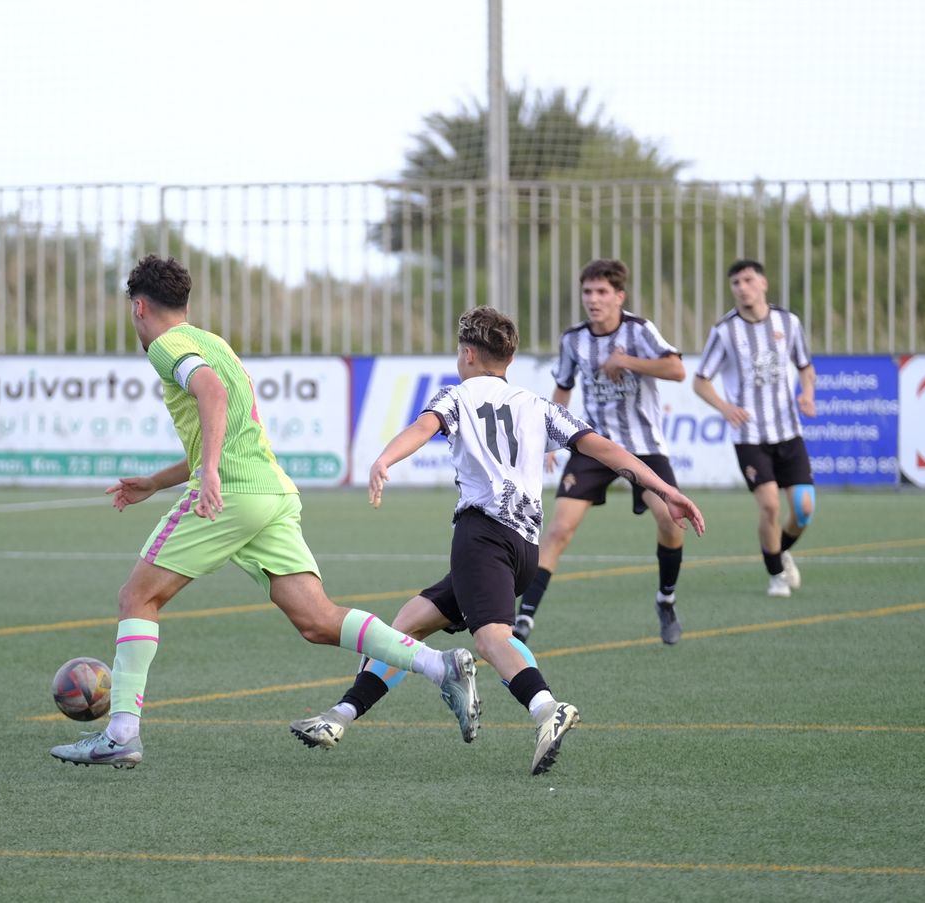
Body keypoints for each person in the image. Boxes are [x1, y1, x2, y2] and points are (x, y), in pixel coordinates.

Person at [50, 255, 478, 769]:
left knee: (136, 597)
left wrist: (209, 473)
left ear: (139, 307)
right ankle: (440, 666)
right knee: (317, 620)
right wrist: (157, 482)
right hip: (270, 493)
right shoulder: (213, 343)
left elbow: (209, 393)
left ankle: (121, 733)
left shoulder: (166, 345)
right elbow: (224, 423)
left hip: (231, 494)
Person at [288, 307, 705, 776]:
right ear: (509, 358)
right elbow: (606, 449)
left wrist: (384, 459)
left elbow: (424, 427)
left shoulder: (457, 395)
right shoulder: (537, 405)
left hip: (482, 537)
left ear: (467, 354)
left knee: (490, 638)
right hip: (524, 550)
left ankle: (546, 708)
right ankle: (340, 716)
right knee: (406, 626)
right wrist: (666, 490)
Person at [513, 259, 689, 646]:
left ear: (619, 296)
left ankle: (666, 599)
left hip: (643, 447)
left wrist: (626, 361)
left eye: (602, 292)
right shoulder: (573, 339)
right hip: (592, 445)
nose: (593, 299)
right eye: (588, 292)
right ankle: (523, 619)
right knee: (558, 530)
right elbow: (563, 387)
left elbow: (677, 370)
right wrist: (550, 438)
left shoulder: (639, 330)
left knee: (670, 521)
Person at [692, 259, 817, 598]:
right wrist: (725, 407)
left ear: (763, 283)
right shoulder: (725, 331)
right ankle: (776, 575)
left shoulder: (788, 322)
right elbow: (700, 381)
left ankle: (779, 551)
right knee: (770, 506)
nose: (742, 287)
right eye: (736, 283)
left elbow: (805, 367)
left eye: (748, 280)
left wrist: (807, 394)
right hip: (749, 436)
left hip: (788, 431)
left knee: (804, 509)